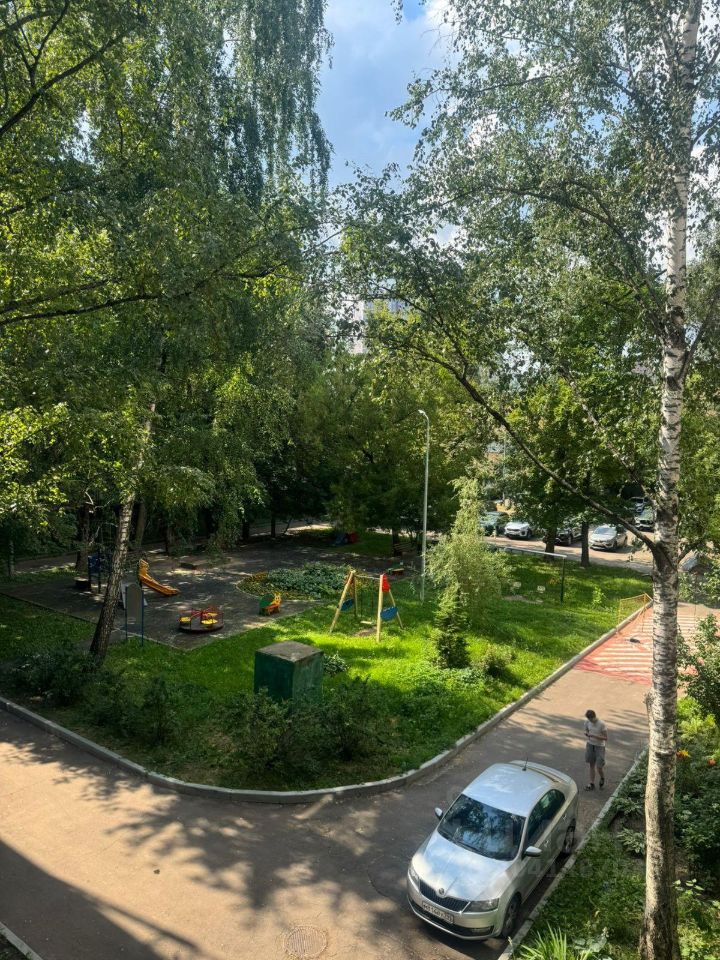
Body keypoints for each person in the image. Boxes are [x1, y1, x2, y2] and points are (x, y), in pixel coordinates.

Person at [584, 709, 607, 790]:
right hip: (590, 745)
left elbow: (605, 738)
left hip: (600, 746)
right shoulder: (587, 722)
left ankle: (602, 777)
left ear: (594, 716)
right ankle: (591, 783)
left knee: (599, 767)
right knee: (591, 765)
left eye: (591, 719)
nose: (590, 721)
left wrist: (594, 736)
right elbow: (587, 730)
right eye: (589, 719)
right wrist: (587, 734)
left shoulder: (601, 724)